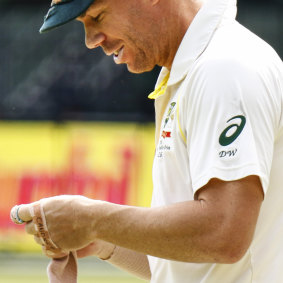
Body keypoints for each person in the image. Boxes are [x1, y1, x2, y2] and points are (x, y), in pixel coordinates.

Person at [11, 0, 283, 282]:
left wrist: (92, 220)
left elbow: (223, 235)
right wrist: (103, 239)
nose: (91, 41)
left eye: (97, 16)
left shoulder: (225, 69)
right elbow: (191, 266)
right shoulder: (194, 69)